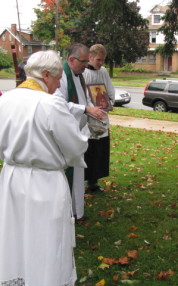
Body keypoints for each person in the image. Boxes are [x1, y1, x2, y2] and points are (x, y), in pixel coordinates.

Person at [0, 50, 89, 285]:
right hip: (45, 182)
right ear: (46, 75)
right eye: (58, 78)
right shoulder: (51, 104)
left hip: (11, 179)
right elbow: (74, 146)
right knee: (47, 239)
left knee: (15, 234)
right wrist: (84, 138)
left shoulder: (5, 100)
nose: (59, 84)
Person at [54, 43, 106, 219]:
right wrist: (85, 109)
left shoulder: (80, 75)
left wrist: (94, 109)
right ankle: (69, 213)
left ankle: (77, 211)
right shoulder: (61, 77)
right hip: (66, 135)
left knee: (78, 175)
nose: (86, 65)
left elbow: (85, 98)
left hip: (79, 133)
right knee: (70, 173)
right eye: (83, 61)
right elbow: (59, 104)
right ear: (71, 59)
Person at [83, 44, 115, 192]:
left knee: (99, 150)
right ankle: (84, 181)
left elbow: (110, 89)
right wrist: (90, 109)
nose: (101, 63)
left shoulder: (103, 72)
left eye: (103, 60)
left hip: (102, 116)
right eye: (98, 59)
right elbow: (82, 95)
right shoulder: (82, 73)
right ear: (90, 57)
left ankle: (94, 182)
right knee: (88, 150)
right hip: (88, 118)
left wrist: (109, 103)